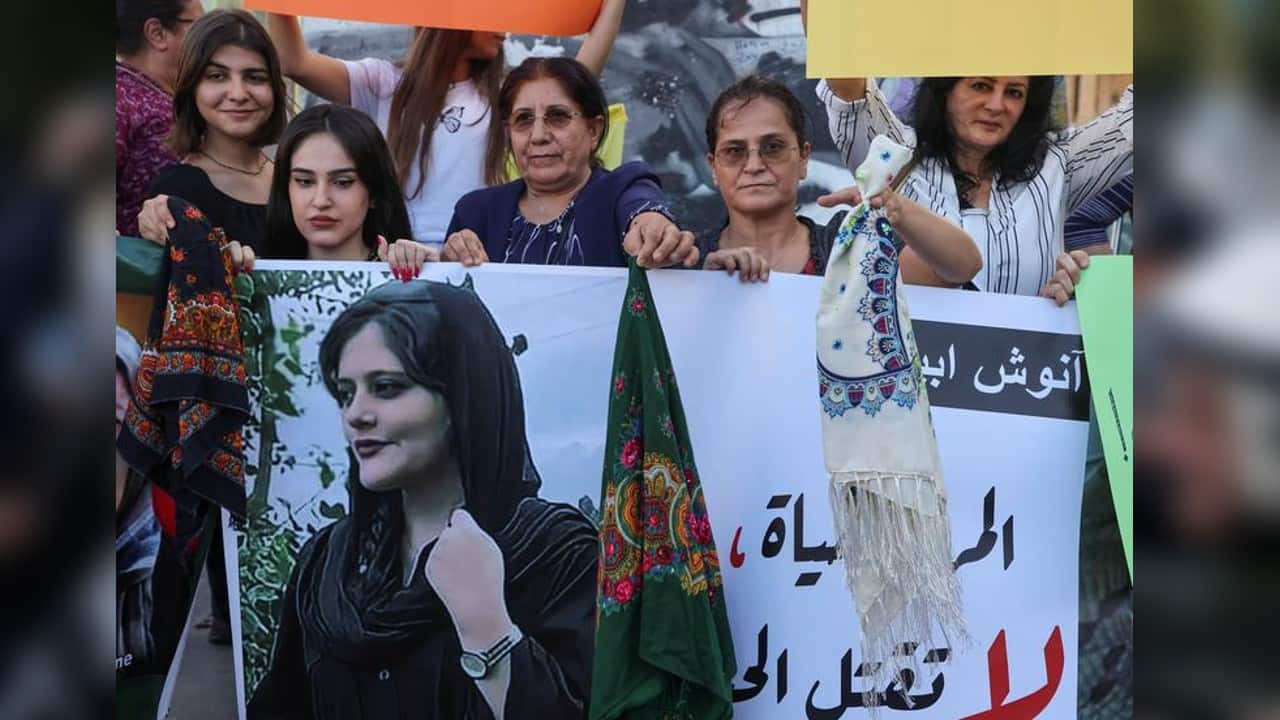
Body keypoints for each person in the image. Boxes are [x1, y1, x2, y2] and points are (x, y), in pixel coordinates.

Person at [249, 280, 598, 719]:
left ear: (463, 395)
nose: (356, 413)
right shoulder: (327, 564)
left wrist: (488, 628)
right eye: (345, 392)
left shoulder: (556, 552)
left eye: (387, 387)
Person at [802, 3, 1132, 297]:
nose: (996, 105)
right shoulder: (894, 156)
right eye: (980, 86)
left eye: (1014, 93)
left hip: (1021, 364)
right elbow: (844, 81)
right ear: (946, 90)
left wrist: (1054, 308)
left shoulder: (1058, 165)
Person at [265, 0, 627, 247]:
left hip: (476, 257)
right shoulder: (382, 82)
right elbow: (292, 60)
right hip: (397, 258)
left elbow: (582, 72)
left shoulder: (504, 93)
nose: (505, 25)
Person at [697, 75, 982, 284]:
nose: (755, 165)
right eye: (734, 151)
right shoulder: (684, 263)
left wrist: (898, 208)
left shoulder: (853, 250)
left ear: (804, 158)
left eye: (773, 147)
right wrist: (704, 288)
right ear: (713, 166)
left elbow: (963, 267)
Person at [443, 57, 699, 269]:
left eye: (558, 117)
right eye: (523, 120)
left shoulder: (621, 189)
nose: (539, 136)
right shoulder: (476, 213)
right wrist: (439, 263)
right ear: (508, 132)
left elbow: (642, 209)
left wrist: (652, 227)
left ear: (593, 130)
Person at [137, 9, 287, 256]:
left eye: (255, 77)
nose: (238, 94)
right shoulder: (175, 193)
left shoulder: (298, 180)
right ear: (191, 86)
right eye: (217, 76)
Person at [115, 0, 205, 235]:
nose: (207, 38)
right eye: (198, 26)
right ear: (157, 33)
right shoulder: (118, 97)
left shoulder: (188, 97)